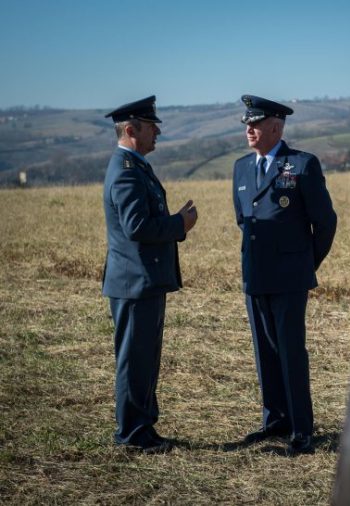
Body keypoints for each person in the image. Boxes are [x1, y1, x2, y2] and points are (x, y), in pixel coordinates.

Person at [232, 94, 337, 454]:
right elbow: (244, 222)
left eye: (255, 123)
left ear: (276, 127)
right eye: (246, 123)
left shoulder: (302, 165)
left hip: (290, 278)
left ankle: (301, 429)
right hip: (256, 277)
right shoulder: (241, 168)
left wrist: (305, 264)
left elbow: (325, 223)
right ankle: (275, 421)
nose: (249, 129)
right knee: (265, 353)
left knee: (291, 353)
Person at [102, 95, 198, 453]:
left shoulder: (134, 166)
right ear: (131, 130)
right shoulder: (126, 172)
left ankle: (143, 428)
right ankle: (131, 434)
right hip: (134, 283)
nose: (157, 131)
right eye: (151, 125)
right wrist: (180, 224)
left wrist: (175, 223)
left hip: (143, 281)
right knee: (134, 360)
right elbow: (137, 226)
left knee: (144, 359)